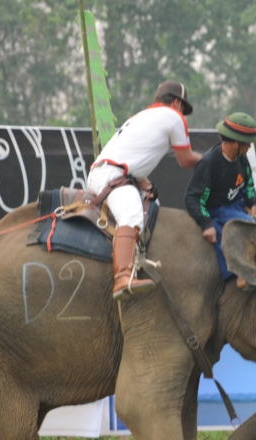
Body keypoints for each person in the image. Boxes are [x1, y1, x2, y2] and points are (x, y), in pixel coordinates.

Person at [88, 80, 203, 300]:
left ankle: (139, 262)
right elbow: (186, 159)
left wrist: (143, 182)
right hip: (112, 176)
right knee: (132, 215)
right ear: (177, 103)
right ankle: (123, 277)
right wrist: (211, 162)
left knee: (152, 209)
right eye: (183, 110)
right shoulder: (174, 117)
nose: (183, 114)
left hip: (105, 172)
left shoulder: (139, 117)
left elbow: (130, 157)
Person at [184, 112, 256, 287]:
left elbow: (248, 187)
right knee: (248, 225)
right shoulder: (209, 163)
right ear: (237, 142)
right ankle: (244, 275)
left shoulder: (242, 158)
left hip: (237, 205)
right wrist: (206, 224)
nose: (250, 148)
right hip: (217, 210)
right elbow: (191, 197)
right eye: (248, 144)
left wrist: (254, 203)